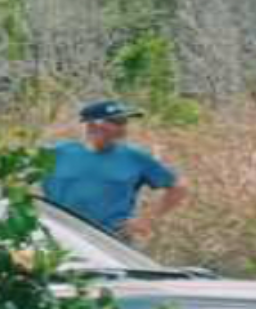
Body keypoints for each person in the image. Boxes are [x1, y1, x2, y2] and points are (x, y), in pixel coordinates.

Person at [41, 100, 188, 242]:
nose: (124, 128)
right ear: (92, 124)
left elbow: (178, 187)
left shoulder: (135, 157)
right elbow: (19, 182)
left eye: (125, 122)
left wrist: (146, 219)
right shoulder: (55, 153)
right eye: (117, 122)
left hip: (110, 242)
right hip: (58, 239)